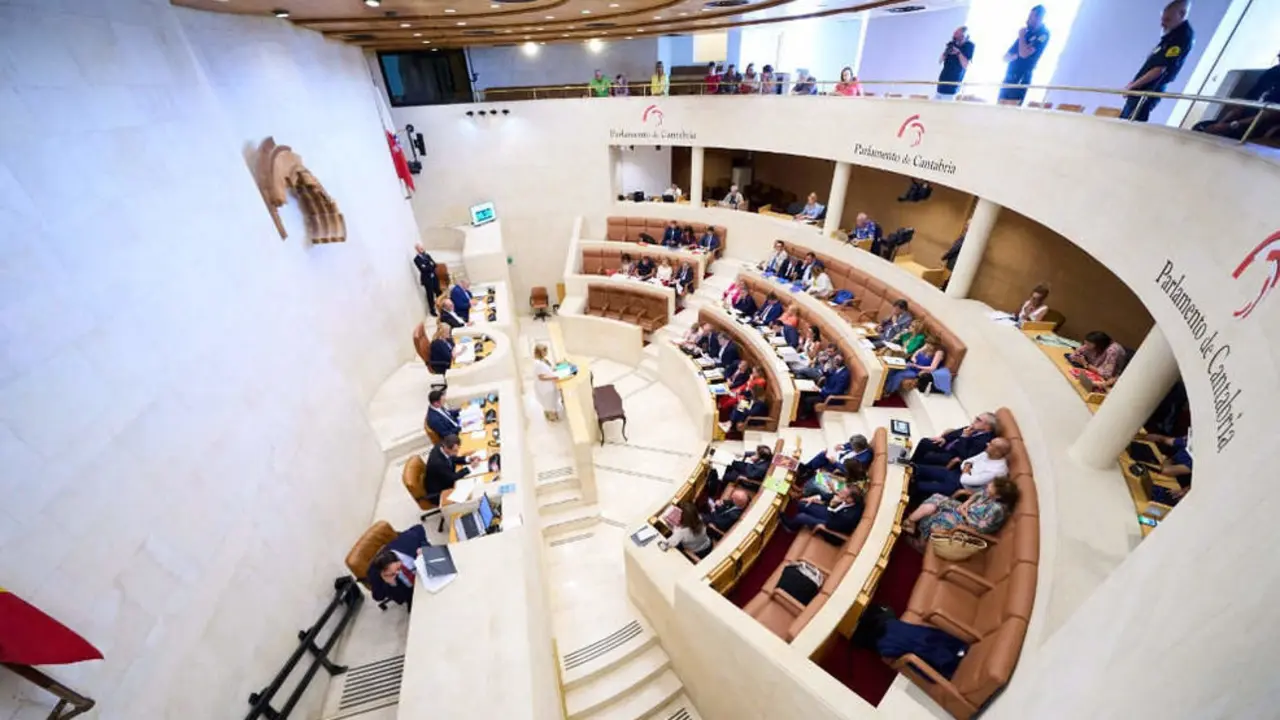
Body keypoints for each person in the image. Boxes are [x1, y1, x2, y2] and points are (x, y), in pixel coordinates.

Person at [1122, 1, 1193, 122]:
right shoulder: (1170, 36)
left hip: (1147, 92)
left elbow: (1159, 69)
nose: (1162, 24)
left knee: (1128, 128)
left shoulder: (1181, 37)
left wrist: (1133, 86)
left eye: (1167, 19)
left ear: (1182, 14)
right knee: (1122, 123)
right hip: (1138, 92)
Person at [905, 476, 1020, 542]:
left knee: (938, 519)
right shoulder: (989, 493)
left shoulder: (997, 509)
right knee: (937, 498)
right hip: (964, 510)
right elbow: (978, 494)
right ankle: (910, 522)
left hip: (966, 523)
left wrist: (964, 514)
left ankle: (920, 544)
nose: (988, 485)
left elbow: (982, 528)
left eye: (992, 486)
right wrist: (967, 502)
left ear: (998, 496)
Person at [1194, 52, 1280, 139]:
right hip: (1242, 118)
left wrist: (1232, 125)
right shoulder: (1273, 72)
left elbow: (1269, 115)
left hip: (1262, 125)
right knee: (1201, 127)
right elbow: (1245, 102)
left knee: (1226, 136)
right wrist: (1221, 123)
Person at [910, 438, 1011, 505]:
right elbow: (966, 462)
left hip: (959, 487)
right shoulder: (987, 453)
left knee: (917, 486)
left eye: (991, 444)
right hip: (955, 474)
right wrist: (967, 469)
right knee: (917, 468)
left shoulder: (997, 471)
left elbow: (966, 481)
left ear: (998, 452)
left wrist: (967, 469)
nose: (987, 444)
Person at [366, 523, 429, 609]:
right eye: (392, 573)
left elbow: (419, 528)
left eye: (399, 568)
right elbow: (378, 597)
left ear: (398, 559)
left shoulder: (407, 541)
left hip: (425, 573)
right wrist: (391, 583)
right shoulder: (375, 572)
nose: (398, 573)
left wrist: (424, 547)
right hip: (411, 592)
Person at [1000, 5, 1050, 105]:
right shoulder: (1026, 33)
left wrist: (1021, 36)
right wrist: (1015, 55)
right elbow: (1005, 58)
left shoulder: (1043, 34)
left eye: (1031, 17)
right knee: (999, 106)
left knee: (1010, 110)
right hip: (1009, 76)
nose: (1028, 20)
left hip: (1021, 77)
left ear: (1039, 18)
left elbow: (1023, 54)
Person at [911, 413, 998, 468]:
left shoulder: (984, 441)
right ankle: (912, 462)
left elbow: (966, 456)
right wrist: (944, 439)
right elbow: (955, 433)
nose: (974, 421)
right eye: (976, 418)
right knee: (925, 442)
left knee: (929, 456)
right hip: (947, 446)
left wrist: (964, 437)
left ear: (988, 427)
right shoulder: (973, 428)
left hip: (954, 456)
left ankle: (915, 469)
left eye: (978, 420)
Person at [782, 485, 863, 534]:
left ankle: (791, 527)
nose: (839, 492)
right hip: (832, 513)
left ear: (850, 499)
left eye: (843, 493)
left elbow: (832, 525)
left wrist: (832, 504)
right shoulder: (849, 499)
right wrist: (814, 497)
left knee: (801, 517)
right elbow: (830, 496)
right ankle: (797, 524)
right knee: (802, 503)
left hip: (832, 524)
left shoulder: (848, 516)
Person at [425, 434, 479, 499]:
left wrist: (468, 459)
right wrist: (470, 468)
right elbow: (453, 477)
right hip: (441, 490)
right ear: (446, 447)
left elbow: (452, 458)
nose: (457, 453)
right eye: (455, 451)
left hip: (447, 477)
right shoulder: (438, 463)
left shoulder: (442, 446)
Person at [1143, 431, 1193, 498]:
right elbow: (1168, 440)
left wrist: (1168, 459)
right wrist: (1157, 437)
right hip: (1165, 469)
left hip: (1173, 484)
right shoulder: (1189, 440)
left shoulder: (1194, 461)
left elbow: (1166, 471)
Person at [801, 434, 873, 478]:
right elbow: (849, 444)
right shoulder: (861, 444)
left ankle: (807, 472)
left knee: (823, 458)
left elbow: (848, 470)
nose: (851, 446)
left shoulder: (864, 458)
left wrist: (835, 462)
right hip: (841, 458)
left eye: (852, 446)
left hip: (841, 468)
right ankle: (806, 469)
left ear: (858, 448)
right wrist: (842, 447)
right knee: (823, 454)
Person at [937, 26, 974, 99]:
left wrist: (958, 53)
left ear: (963, 35)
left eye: (956, 33)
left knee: (946, 107)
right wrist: (946, 52)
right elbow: (940, 61)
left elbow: (965, 65)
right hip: (942, 81)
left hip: (953, 84)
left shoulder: (969, 46)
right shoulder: (952, 44)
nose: (954, 35)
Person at [532, 344, 561, 421]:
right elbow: (541, 377)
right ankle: (551, 417)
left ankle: (552, 414)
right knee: (549, 402)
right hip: (545, 387)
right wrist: (554, 377)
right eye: (544, 351)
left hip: (550, 384)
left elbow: (548, 369)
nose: (546, 353)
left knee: (552, 401)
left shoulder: (543, 360)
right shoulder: (537, 364)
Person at [413, 244, 439, 316]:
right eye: (420, 248)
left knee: (438, 292)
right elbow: (423, 269)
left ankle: (442, 306)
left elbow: (434, 264)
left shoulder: (427, 255)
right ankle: (432, 310)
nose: (422, 249)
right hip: (427, 280)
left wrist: (429, 266)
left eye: (422, 248)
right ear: (417, 250)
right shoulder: (416, 259)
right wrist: (430, 265)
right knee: (430, 295)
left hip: (434, 277)